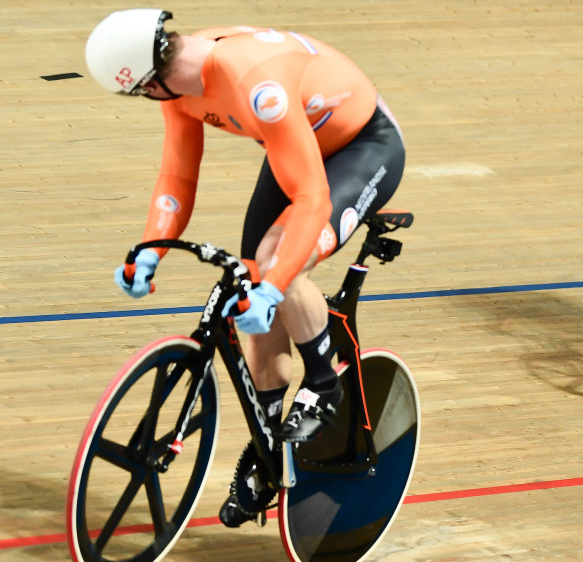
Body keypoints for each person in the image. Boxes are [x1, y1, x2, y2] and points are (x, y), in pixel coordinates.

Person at [84, 8, 405, 526]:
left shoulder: (257, 83)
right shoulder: (179, 83)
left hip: (363, 147)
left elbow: (312, 196)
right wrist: (151, 246)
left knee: (277, 262)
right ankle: (268, 447)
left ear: (150, 81)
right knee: (251, 284)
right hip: (298, 145)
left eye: (139, 92)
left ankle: (324, 383)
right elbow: (177, 176)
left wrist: (275, 283)